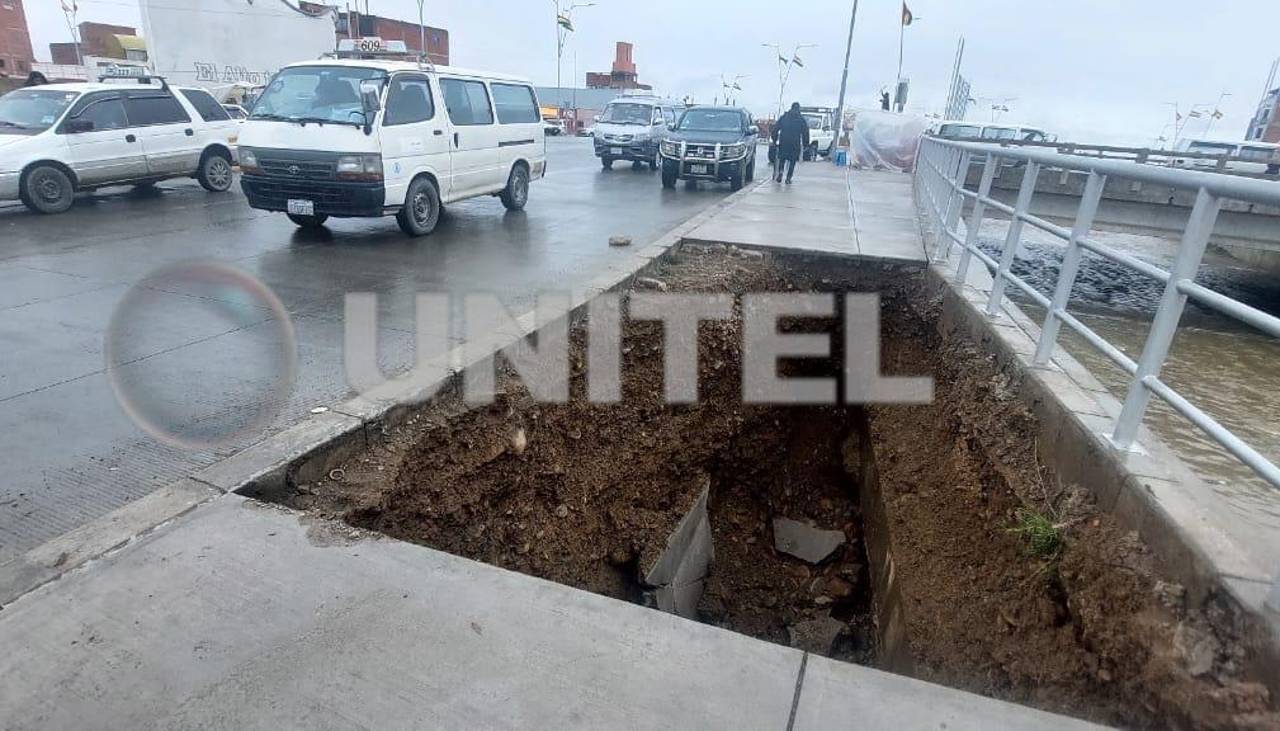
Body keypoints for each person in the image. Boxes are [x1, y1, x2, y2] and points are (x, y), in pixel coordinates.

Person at [771, 102, 809, 184]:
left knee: (782, 158)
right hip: (795, 143)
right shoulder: (801, 119)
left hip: (784, 141)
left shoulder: (784, 117)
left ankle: (780, 172)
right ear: (798, 109)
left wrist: (774, 139)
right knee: (792, 161)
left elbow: (776, 128)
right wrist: (806, 144)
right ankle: (788, 178)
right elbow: (805, 133)